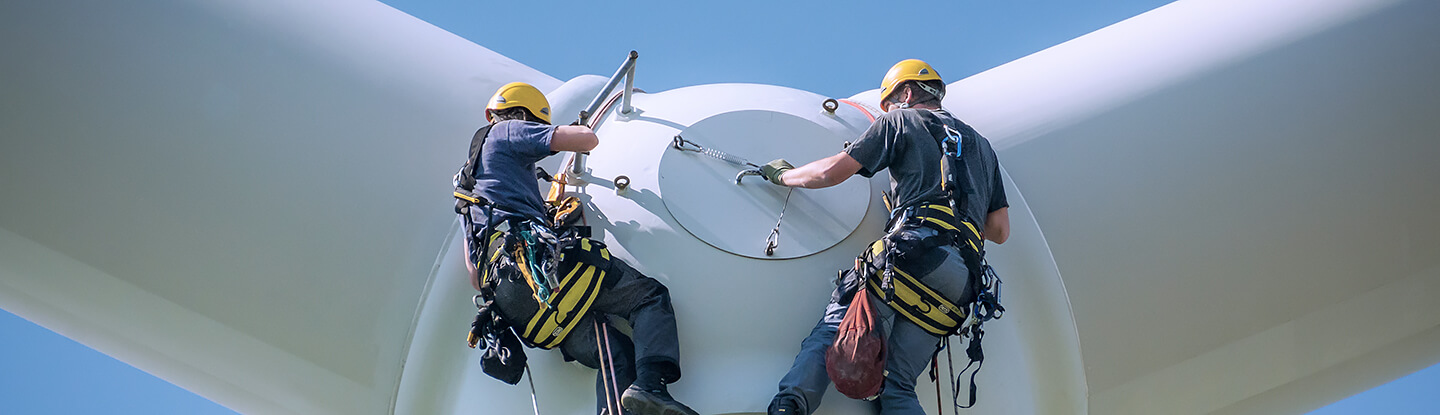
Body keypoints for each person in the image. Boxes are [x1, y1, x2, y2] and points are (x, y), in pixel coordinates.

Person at [761, 60, 1011, 414]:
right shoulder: (982, 147)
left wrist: (784, 176)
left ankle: (789, 406)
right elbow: (1000, 231)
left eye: (890, 101)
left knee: (835, 331)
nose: (889, 109)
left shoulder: (900, 121)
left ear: (906, 93)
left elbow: (833, 173)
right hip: (961, 282)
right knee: (897, 385)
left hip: (913, 252)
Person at [458, 82, 699, 415]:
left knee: (613, 352)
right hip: (543, 271)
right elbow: (587, 140)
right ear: (526, 117)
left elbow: (473, 274)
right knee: (648, 297)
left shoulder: (467, 184)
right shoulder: (507, 133)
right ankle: (651, 386)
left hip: (516, 303)